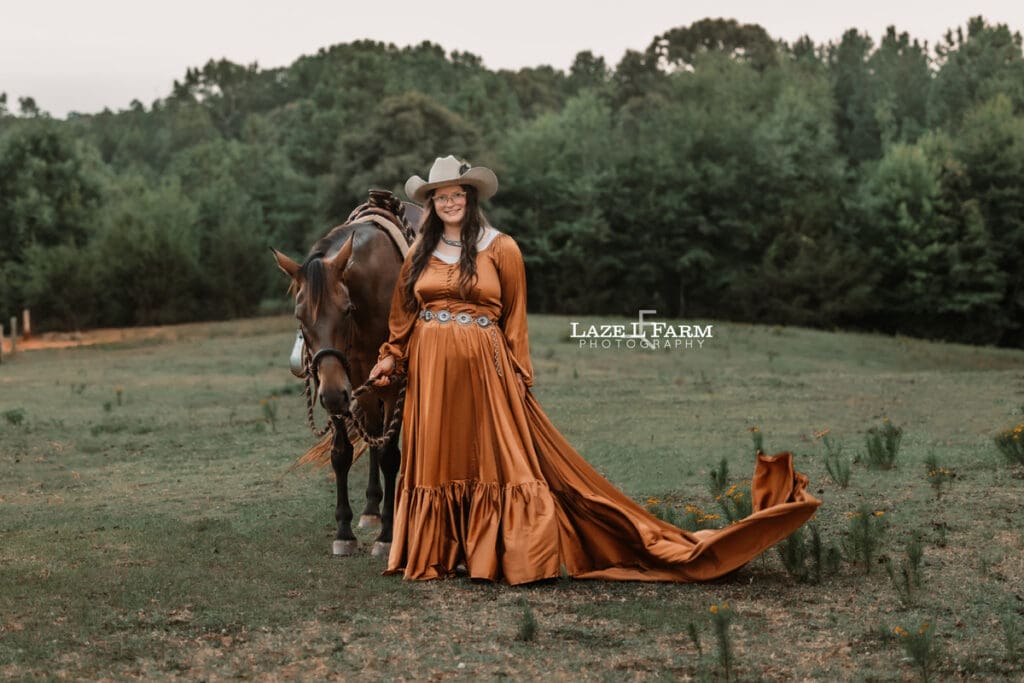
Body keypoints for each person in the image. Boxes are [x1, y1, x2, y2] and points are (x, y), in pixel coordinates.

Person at [368, 155, 820, 585]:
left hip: (487, 372)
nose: (449, 203)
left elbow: (516, 317)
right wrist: (390, 357)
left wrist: (520, 375)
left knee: (496, 458)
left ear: (471, 197)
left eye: (457, 195)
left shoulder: (500, 248)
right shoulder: (418, 254)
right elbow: (403, 316)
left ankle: (506, 551)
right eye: (440, 197)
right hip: (432, 374)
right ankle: (436, 554)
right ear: (431, 203)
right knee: (438, 458)